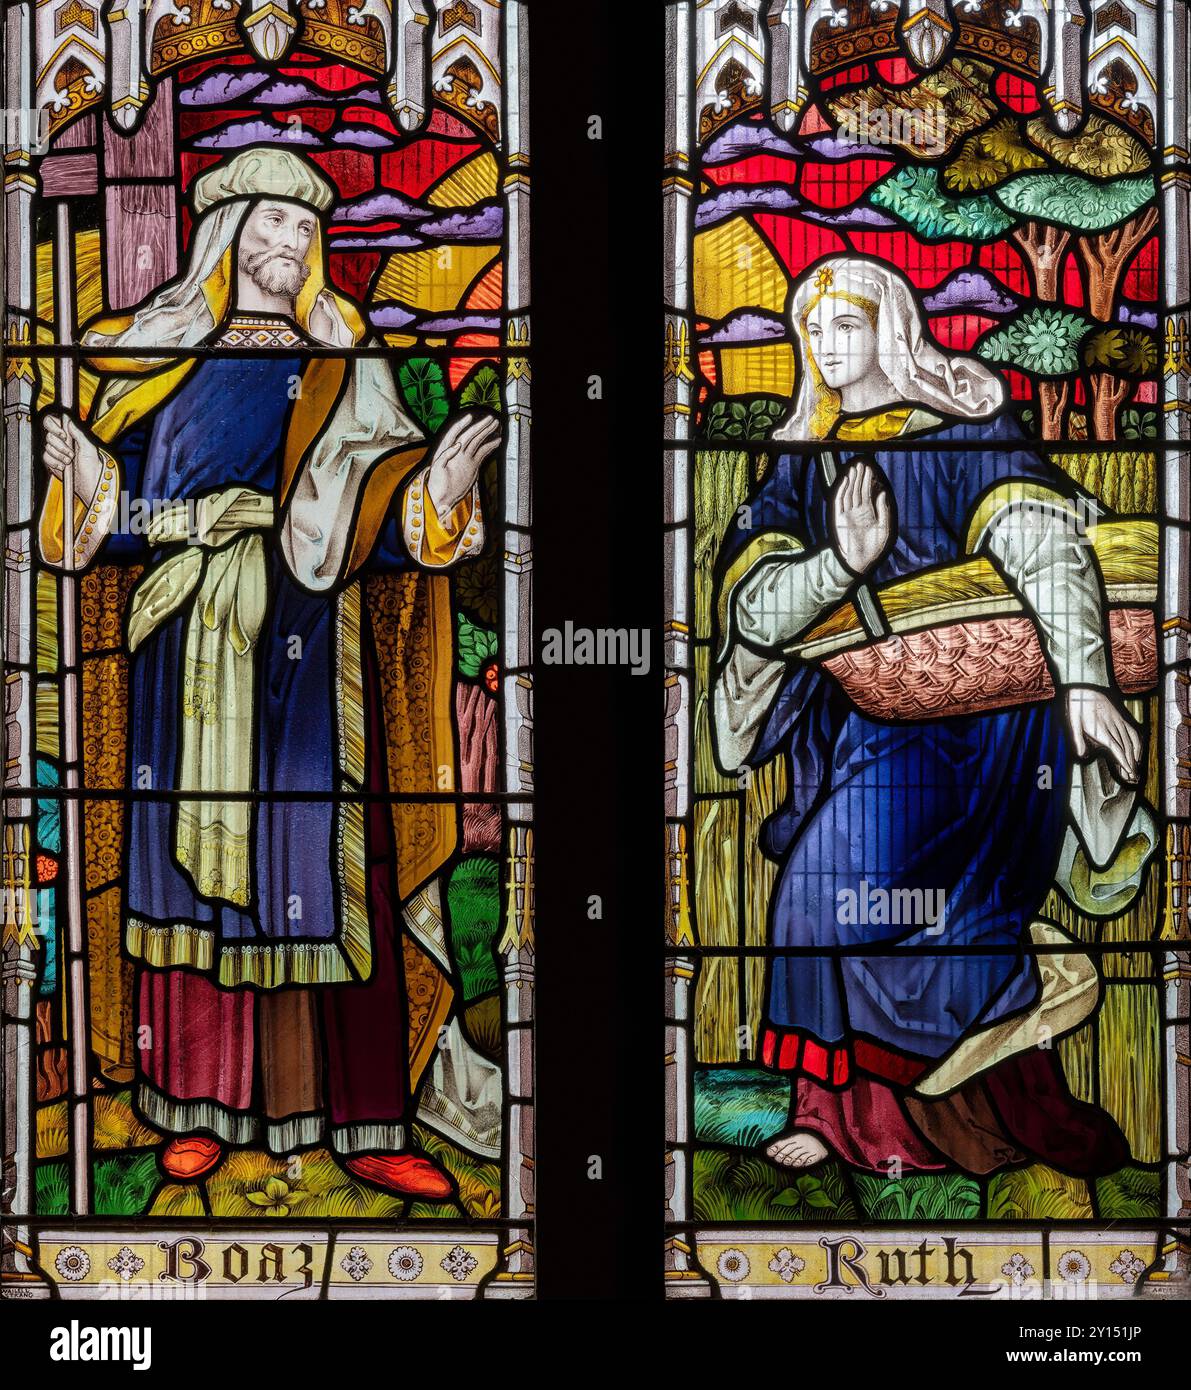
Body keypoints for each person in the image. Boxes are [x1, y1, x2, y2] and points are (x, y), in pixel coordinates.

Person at [38, 147, 499, 1197]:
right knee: (186, 881)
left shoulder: (346, 362)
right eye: (268, 226)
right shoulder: (163, 360)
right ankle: (192, 1106)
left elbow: (381, 526)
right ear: (225, 236)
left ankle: (361, 1116)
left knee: (322, 875)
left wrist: (436, 487)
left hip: (308, 652)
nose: (287, 248)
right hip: (184, 654)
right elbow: (126, 527)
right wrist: (96, 485)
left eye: (302, 230)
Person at [712, 256, 1137, 1176]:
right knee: (816, 899)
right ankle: (835, 1120)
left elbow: (1045, 549)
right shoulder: (803, 459)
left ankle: (965, 1114)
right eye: (813, 328)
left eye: (849, 325)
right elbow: (751, 608)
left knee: (911, 912)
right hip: (864, 724)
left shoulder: (965, 431)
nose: (828, 347)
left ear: (894, 329)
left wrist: (1085, 680)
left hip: (979, 734)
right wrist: (842, 564)